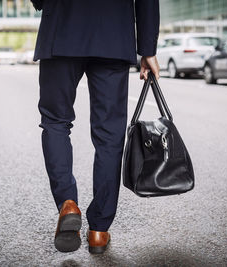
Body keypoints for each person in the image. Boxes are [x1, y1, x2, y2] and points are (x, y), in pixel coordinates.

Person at [30, 0, 160, 254]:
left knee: (55, 122)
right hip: (113, 34)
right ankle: (99, 230)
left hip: (61, 30)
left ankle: (68, 205)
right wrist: (148, 49)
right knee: (110, 135)